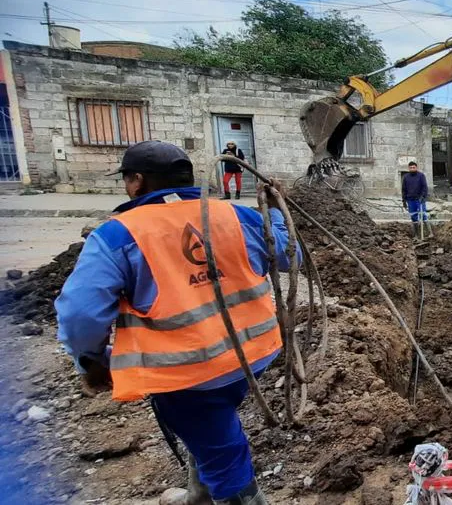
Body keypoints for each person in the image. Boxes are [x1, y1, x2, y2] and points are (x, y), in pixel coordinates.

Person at [55, 140, 298, 505]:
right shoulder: (236, 215)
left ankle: (238, 496)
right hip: (253, 357)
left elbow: (80, 313)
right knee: (211, 429)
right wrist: (277, 210)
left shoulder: (118, 235)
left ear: (137, 181)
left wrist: (90, 360)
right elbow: (286, 252)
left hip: (185, 373)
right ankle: (199, 495)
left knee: (222, 450)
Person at [401, 161, 429, 236]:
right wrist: (404, 200)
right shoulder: (406, 177)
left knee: (423, 214)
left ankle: (429, 233)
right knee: (413, 216)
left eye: (414, 167)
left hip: (419, 199)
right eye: (411, 168)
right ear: (408, 168)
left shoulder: (421, 176)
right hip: (410, 200)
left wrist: (423, 196)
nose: (412, 169)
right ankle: (417, 234)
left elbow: (425, 187)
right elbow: (404, 189)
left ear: (416, 167)